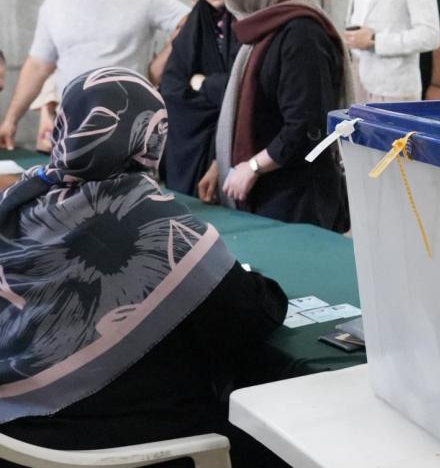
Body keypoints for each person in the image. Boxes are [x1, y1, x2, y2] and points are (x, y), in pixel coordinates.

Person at [0, 67, 288, 467]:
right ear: (151, 135)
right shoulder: (152, 220)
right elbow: (248, 317)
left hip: (17, 438)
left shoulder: (22, 201)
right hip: (131, 447)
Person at [214, 0, 352, 232]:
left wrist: (252, 167)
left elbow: (307, 126)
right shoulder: (262, 26)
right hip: (268, 193)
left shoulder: (301, 33)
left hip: (296, 201)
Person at [0, 0, 188, 149]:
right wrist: (11, 120)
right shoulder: (53, 6)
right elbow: (38, 66)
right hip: (73, 128)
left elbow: (189, 21)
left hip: (129, 126)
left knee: (129, 185)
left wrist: (159, 65)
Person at [161, 0, 239, 201]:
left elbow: (243, 87)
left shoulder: (247, 22)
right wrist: (217, 91)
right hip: (191, 145)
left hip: (236, 148)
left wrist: (203, 84)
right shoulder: (195, 25)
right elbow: (172, 88)